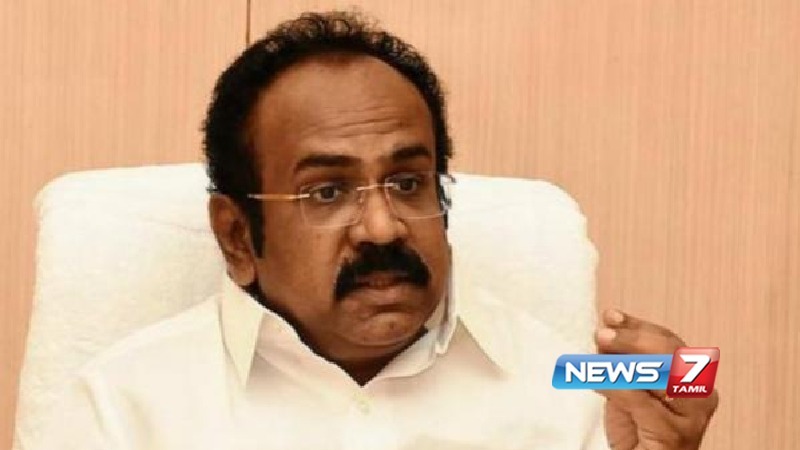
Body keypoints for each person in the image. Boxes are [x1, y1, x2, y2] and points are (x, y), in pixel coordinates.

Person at [39, 10, 718, 449]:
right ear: (238, 237)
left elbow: (683, 384)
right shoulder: (120, 410)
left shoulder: (576, 390)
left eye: (407, 182)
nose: (383, 227)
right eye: (327, 191)